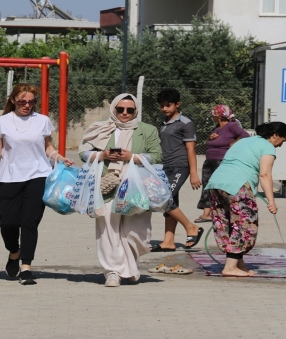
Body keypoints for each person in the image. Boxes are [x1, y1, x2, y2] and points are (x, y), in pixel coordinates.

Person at [0, 83, 73, 286]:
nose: (27, 105)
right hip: (10, 177)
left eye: (31, 101)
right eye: (22, 101)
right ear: (13, 100)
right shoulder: (2, 122)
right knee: (7, 222)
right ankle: (14, 253)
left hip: (38, 176)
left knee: (29, 222)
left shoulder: (42, 121)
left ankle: (26, 267)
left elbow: (48, 147)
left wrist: (59, 157)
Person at [78, 93, 162, 287]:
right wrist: (102, 155)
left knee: (136, 232)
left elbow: (157, 155)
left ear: (136, 111)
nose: (125, 113)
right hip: (107, 184)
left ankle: (130, 267)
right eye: (120, 109)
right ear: (114, 109)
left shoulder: (147, 130)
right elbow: (83, 153)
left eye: (130, 110)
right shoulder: (102, 127)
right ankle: (113, 272)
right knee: (108, 229)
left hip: (136, 186)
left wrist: (133, 156)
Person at [205, 121, 286, 277]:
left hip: (216, 183)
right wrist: (271, 201)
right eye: (283, 141)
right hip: (238, 185)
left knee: (226, 223)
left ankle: (238, 264)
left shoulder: (244, 141)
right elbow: (265, 174)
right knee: (244, 224)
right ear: (275, 136)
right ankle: (230, 268)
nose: (281, 145)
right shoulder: (267, 147)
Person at [150, 88, 203, 253]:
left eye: (168, 105)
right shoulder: (163, 122)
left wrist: (194, 173)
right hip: (166, 167)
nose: (165, 109)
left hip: (181, 166)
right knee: (171, 202)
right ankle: (169, 241)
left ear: (177, 104)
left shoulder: (186, 123)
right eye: (162, 106)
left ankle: (191, 227)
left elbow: (191, 150)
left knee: (165, 199)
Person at [195, 105, 250, 223]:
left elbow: (245, 136)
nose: (212, 116)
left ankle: (228, 211)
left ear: (219, 116)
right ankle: (206, 214)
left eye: (214, 114)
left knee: (222, 187)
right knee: (208, 185)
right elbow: (213, 141)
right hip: (210, 161)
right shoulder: (217, 127)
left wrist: (234, 142)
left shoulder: (231, 125)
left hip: (222, 160)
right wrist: (211, 137)